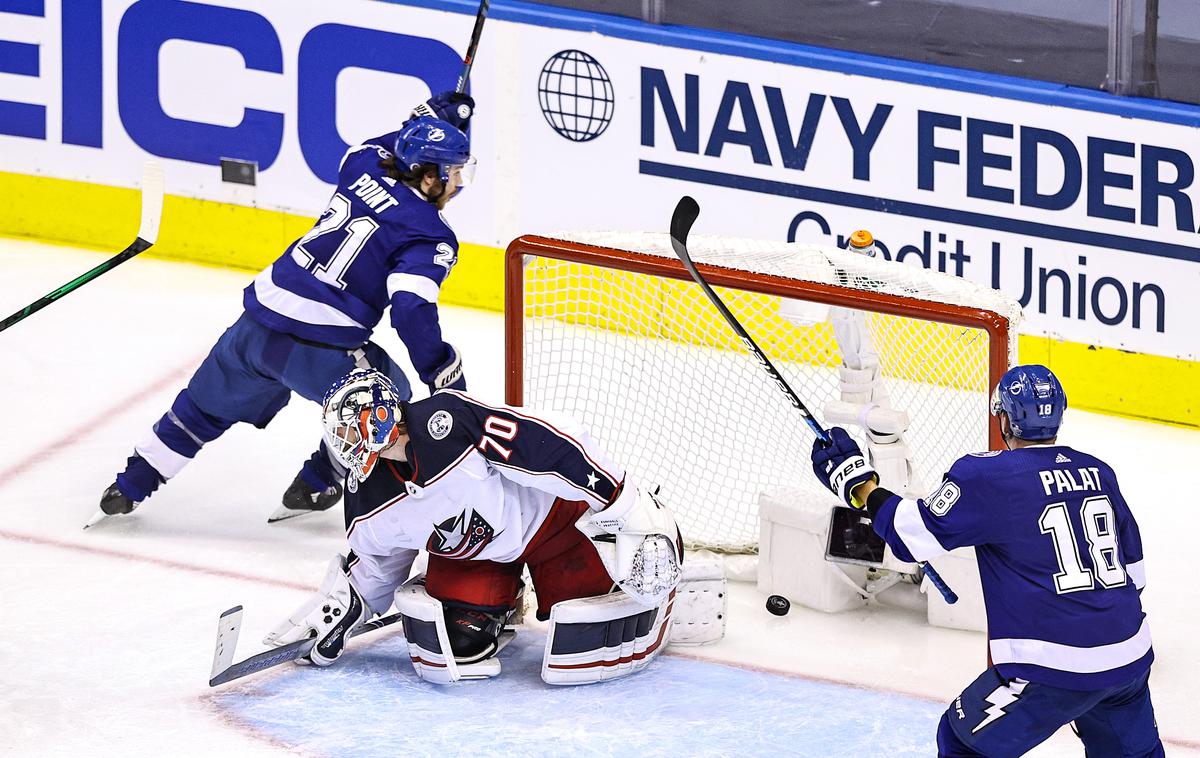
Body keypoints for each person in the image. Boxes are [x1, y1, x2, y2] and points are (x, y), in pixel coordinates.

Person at [97, 91, 478, 524]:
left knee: (201, 408)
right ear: (429, 176)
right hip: (323, 352)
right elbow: (410, 309)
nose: (458, 182)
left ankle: (129, 485)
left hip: (256, 327)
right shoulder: (429, 234)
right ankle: (320, 481)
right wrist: (441, 369)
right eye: (453, 171)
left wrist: (428, 122)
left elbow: (388, 145)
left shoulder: (362, 164)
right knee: (392, 400)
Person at [811, 364, 1162, 757]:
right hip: (1130, 655)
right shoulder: (1099, 471)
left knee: (962, 742)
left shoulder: (987, 475)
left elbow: (913, 536)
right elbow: (1135, 576)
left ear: (1004, 418)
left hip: (1050, 669)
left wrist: (858, 484)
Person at [262, 369, 696, 685]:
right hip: (479, 555)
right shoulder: (367, 496)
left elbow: (546, 445)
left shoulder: (448, 423)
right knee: (455, 646)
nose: (347, 440)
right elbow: (378, 559)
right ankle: (503, 599)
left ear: (380, 414)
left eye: (352, 425)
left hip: (554, 526)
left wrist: (622, 502)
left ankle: (661, 538)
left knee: (586, 633)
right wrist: (343, 609)